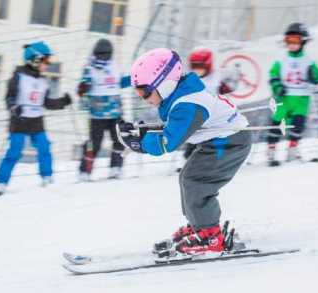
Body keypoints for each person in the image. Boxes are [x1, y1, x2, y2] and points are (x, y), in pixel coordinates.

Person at [117, 48, 251, 255]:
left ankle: (211, 235)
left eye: (144, 91)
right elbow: (175, 127)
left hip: (230, 142)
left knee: (196, 181)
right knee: (188, 178)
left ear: (165, 83)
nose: (143, 98)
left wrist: (140, 143)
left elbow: (168, 142)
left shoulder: (188, 104)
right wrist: (142, 131)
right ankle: (200, 225)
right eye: (138, 93)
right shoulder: (181, 94)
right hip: (219, 140)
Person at [0, 41, 71, 196]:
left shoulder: (43, 82)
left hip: (36, 121)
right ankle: (1, 182)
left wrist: (63, 101)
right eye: (45, 61)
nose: (47, 65)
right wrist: (15, 108)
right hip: (20, 120)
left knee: (44, 147)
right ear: (35, 60)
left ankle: (47, 177)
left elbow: (46, 103)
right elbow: (9, 98)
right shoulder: (18, 77)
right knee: (14, 151)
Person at [266, 23, 318, 166]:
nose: (292, 44)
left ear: (303, 41)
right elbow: (273, 74)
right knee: (277, 124)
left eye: (295, 41)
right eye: (289, 41)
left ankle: (292, 150)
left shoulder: (308, 60)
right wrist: (277, 87)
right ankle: (271, 151)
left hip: (301, 98)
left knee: (297, 125)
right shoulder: (281, 58)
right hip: (284, 98)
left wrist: (314, 75)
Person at [77, 38, 131, 181]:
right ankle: (85, 171)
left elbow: (120, 83)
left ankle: (116, 167)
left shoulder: (115, 66)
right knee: (94, 144)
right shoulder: (90, 68)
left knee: (120, 139)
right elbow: (83, 88)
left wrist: (134, 79)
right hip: (97, 115)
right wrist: (83, 88)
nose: (102, 57)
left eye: (105, 54)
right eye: (99, 54)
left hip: (115, 113)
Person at [180, 47, 237, 160]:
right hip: (196, 114)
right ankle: (189, 159)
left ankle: (217, 159)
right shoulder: (189, 78)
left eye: (201, 67)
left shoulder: (218, 74)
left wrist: (225, 88)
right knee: (194, 138)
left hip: (214, 114)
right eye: (195, 67)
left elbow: (232, 79)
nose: (198, 71)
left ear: (208, 65)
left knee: (213, 139)